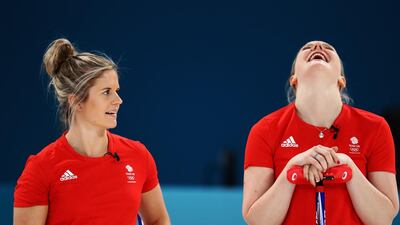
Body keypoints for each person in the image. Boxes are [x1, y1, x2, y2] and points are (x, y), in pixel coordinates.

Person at [14, 38, 170, 225]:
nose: (118, 100)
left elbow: (157, 219)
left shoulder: (138, 155)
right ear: (76, 100)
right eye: (106, 92)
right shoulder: (40, 169)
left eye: (117, 90)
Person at [242, 40, 399, 225]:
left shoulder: (375, 127)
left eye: (329, 48)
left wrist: (349, 167)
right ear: (294, 79)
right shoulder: (264, 130)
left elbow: (384, 219)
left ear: (341, 79)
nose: (318, 48)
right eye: (307, 48)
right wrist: (290, 172)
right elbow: (257, 221)